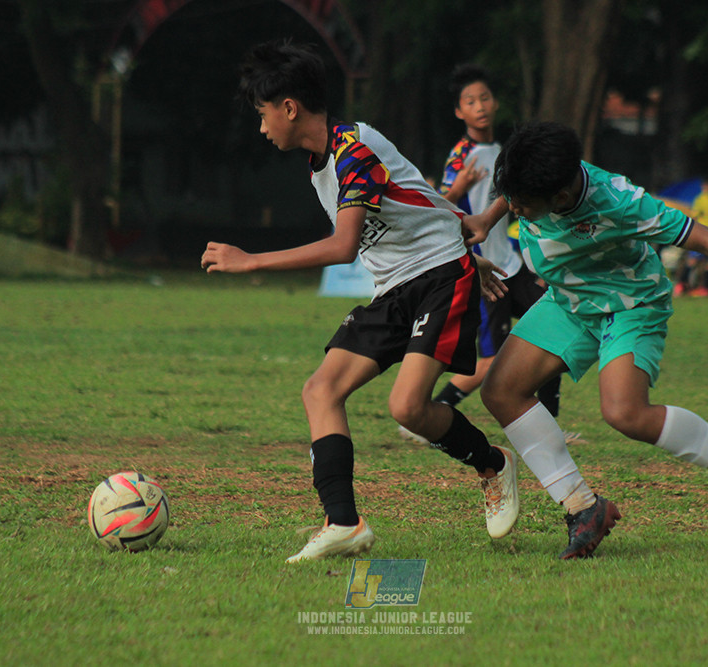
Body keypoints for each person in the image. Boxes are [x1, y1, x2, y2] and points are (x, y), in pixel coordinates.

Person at [202, 40, 519, 563]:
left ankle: (493, 465)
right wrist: (456, 234)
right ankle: (343, 522)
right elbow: (415, 192)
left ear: (289, 108)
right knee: (320, 390)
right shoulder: (319, 163)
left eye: (263, 115)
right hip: (394, 287)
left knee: (407, 406)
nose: (261, 128)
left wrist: (250, 260)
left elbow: (343, 245)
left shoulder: (353, 148)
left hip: (438, 277)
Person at [465, 121, 708, 558]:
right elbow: (517, 188)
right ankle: (584, 508)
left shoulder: (620, 203)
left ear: (560, 197)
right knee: (502, 391)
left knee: (625, 412)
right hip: (569, 299)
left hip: (628, 301)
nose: (515, 210)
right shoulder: (542, 174)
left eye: (522, 206)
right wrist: (488, 217)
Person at [398, 63, 575, 444]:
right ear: (459, 112)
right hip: (485, 272)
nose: (479, 106)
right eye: (470, 101)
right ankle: (422, 418)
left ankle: (552, 430)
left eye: (484, 98)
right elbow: (437, 208)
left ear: (495, 104)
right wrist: (458, 186)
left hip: (513, 265)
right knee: (491, 362)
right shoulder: (461, 155)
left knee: (555, 332)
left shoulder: (505, 150)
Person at [675, 178, 708, 297]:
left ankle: (706, 287)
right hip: (703, 234)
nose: (707, 187)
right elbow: (695, 217)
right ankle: (682, 285)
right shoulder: (699, 199)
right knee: (693, 260)